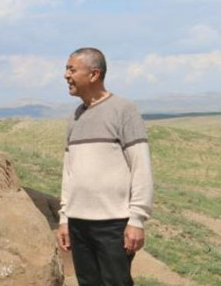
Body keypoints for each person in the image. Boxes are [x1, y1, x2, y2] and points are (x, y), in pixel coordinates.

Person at [56, 47, 154, 286]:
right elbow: (69, 172)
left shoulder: (123, 109)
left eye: (72, 69)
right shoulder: (75, 116)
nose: (66, 75)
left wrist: (137, 219)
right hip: (78, 223)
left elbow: (140, 166)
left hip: (113, 224)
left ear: (94, 74)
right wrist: (65, 217)